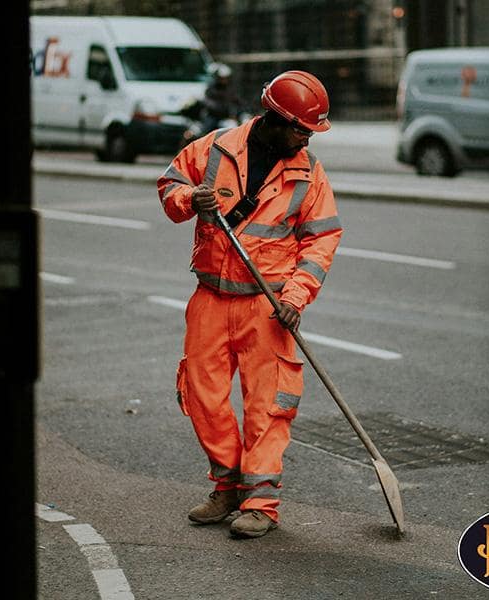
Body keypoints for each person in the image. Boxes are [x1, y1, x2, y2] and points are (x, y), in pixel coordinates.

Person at [157, 70, 342, 538]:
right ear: (274, 118)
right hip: (211, 298)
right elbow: (170, 185)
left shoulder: (309, 172)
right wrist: (187, 199)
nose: (305, 139)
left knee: (268, 404)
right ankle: (228, 486)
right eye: (301, 129)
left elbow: (320, 241)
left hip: (267, 303)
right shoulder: (214, 149)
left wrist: (296, 297)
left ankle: (261, 502)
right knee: (203, 396)